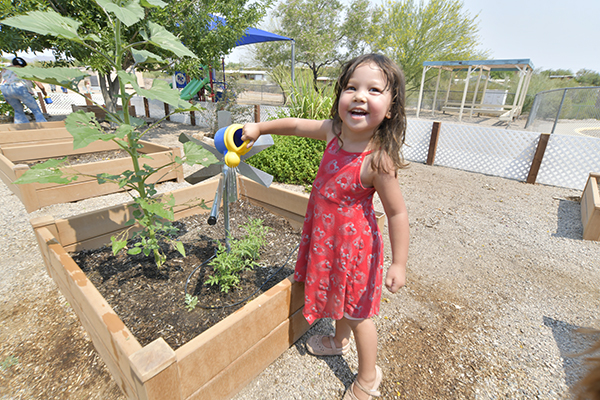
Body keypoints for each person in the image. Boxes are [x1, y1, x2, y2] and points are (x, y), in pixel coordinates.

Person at [242, 53, 410, 400]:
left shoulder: (377, 161)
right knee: (338, 295)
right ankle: (337, 340)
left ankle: (367, 377)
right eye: (352, 87)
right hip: (326, 239)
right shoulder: (334, 132)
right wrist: (260, 128)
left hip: (353, 249)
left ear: (391, 109)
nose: (360, 96)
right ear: (340, 97)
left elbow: (397, 214)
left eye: (374, 90)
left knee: (356, 311)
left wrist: (399, 263)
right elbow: (294, 125)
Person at [0, 57, 47, 124]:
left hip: (5, 89)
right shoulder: (25, 70)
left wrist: (6, 96)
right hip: (19, 88)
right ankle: (42, 124)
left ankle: (21, 127)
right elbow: (38, 83)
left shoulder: (4, 69)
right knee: (35, 110)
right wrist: (44, 92)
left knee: (18, 110)